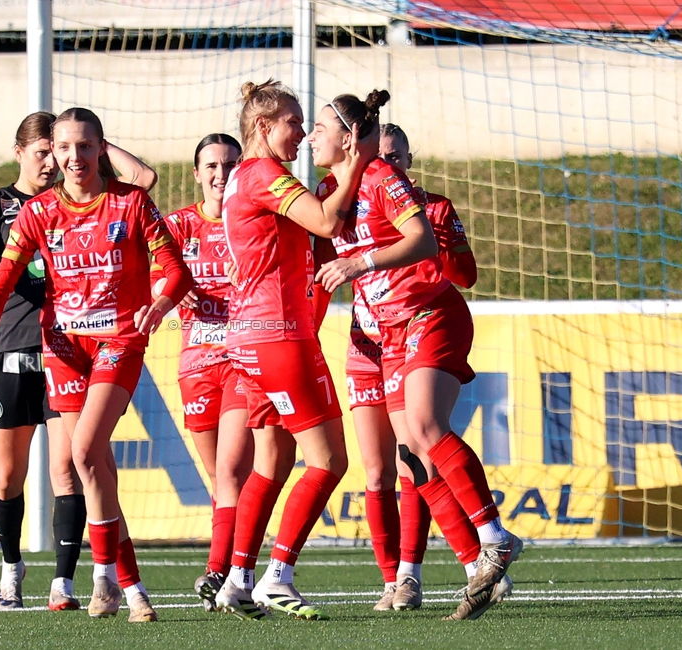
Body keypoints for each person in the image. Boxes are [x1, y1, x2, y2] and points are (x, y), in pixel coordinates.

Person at [0, 107, 193, 624]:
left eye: (86, 146)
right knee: (95, 465)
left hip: (118, 341)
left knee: (82, 453)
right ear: (53, 153)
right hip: (61, 346)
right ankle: (121, 586)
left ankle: (108, 578)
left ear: (101, 149)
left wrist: (158, 303)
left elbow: (176, 270)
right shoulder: (39, 212)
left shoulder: (131, 204)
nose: (74, 157)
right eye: (64, 148)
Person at [315, 93, 523, 620]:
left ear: (348, 138)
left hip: (429, 315)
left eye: (318, 127)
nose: (312, 136)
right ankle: (475, 562)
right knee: (409, 458)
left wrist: (361, 263)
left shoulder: (385, 179)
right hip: (383, 333)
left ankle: (492, 538)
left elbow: (426, 244)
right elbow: (320, 257)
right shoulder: (329, 192)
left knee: (426, 427)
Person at [213, 79, 377, 621]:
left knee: (273, 462)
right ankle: (277, 576)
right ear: (263, 126)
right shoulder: (263, 174)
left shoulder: (244, 176)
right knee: (328, 461)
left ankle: (237, 578)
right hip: (277, 335)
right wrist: (355, 160)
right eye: (293, 121)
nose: (303, 131)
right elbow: (327, 220)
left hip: (253, 335)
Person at [150, 133, 253, 611]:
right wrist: (170, 288)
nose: (221, 173)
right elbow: (146, 273)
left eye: (230, 163)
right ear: (196, 174)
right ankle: (236, 569)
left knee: (232, 471)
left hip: (244, 361)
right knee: (220, 481)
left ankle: (219, 571)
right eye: (211, 165)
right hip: (195, 364)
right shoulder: (178, 226)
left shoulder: (251, 221)